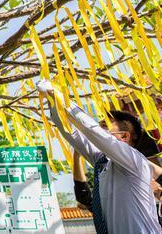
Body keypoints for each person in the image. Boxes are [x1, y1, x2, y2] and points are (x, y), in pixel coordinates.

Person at [37, 79, 162, 234]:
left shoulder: (134, 160)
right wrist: (53, 101)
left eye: (105, 126)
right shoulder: (102, 162)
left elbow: (92, 131)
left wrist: (60, 97)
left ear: (124, 136)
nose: (101, 129)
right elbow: (72, 133)